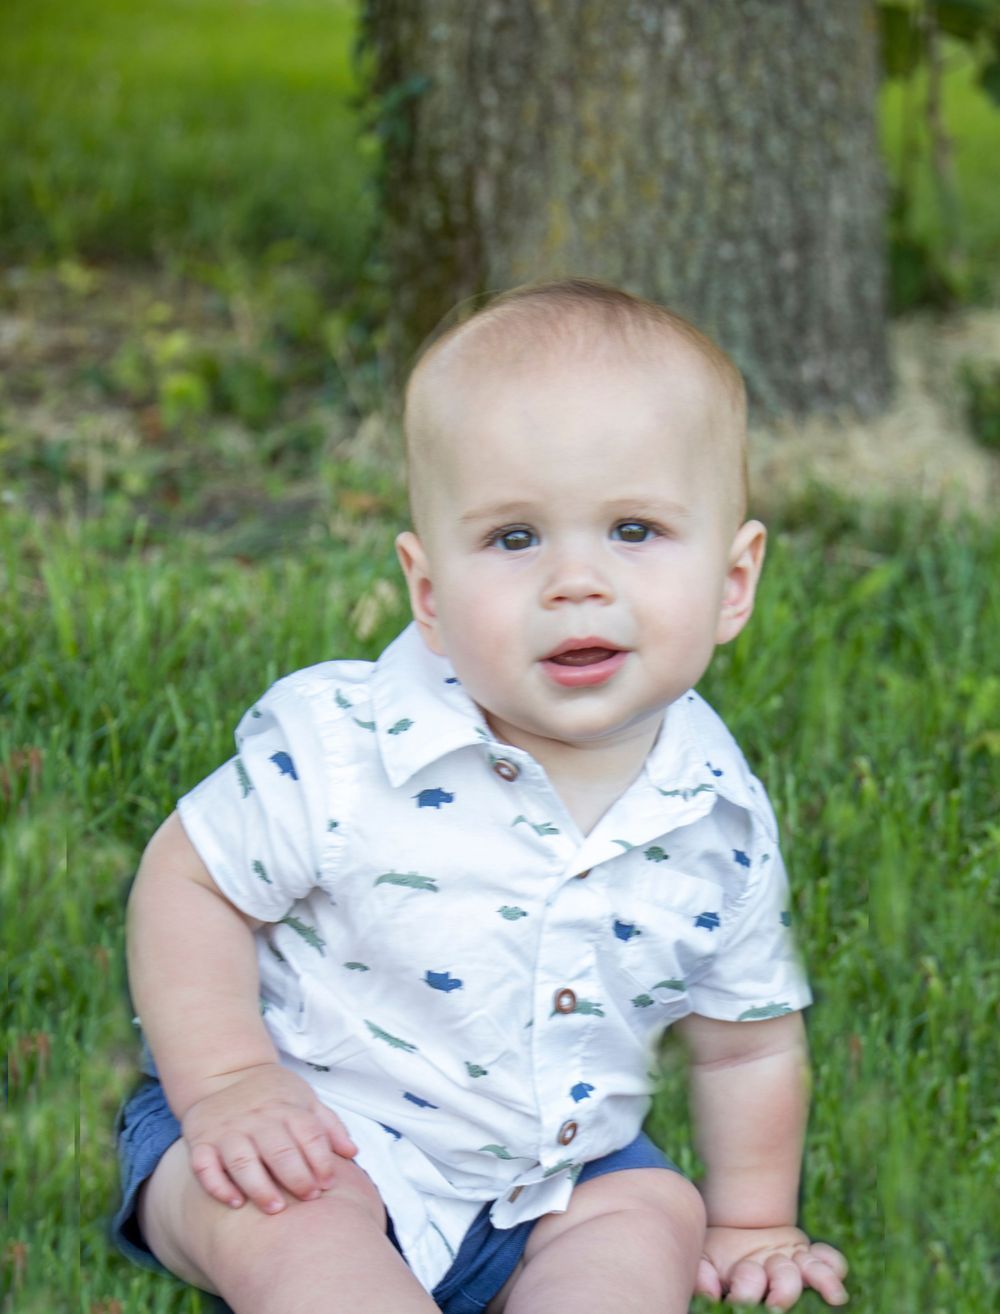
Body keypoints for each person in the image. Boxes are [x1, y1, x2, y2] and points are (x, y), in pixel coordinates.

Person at [114, 279, 849, 1314]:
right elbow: (190, 882)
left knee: (650, 1209)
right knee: (301, 1235)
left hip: (555, 1170)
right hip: (307, 1124)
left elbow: (748, 1042)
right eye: (514, 539)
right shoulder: (344, 749)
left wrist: (751, 1220)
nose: (576, 581)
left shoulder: (718, 816)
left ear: (734, 583)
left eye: (634, 529)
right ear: (429, 593)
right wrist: (231, 1082)